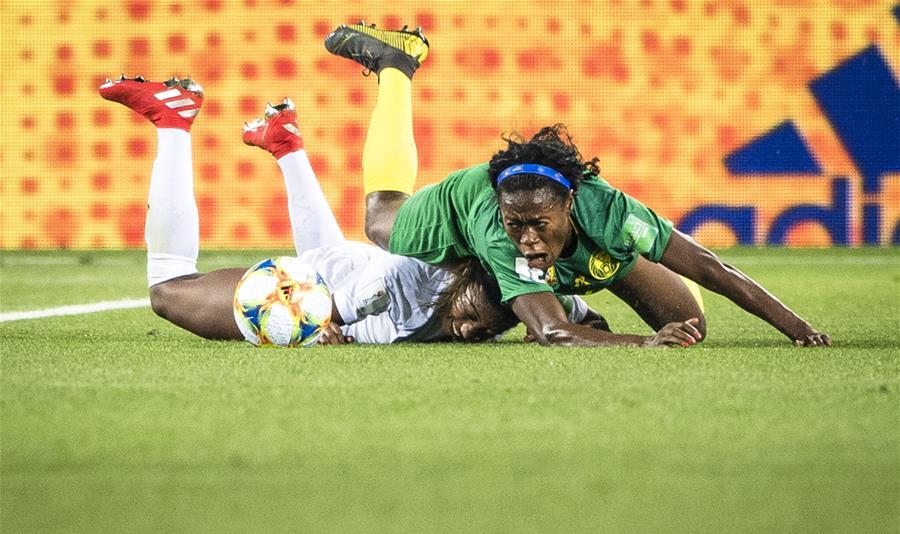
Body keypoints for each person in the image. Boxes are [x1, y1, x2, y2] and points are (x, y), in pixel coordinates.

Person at [323, 23, 832, 348]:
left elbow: (708, 265)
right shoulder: (500, 232)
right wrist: (642, 343)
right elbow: (554, 332)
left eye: (539, 225)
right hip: (461, 215)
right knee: (381, 221)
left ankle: (596, 266)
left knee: (690, 329)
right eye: (517, 225)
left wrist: (797, 328)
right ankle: (398, 66)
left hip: (588, 238)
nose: (527, 239)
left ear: (570, 203)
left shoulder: (611, 212)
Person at [97, 75, 600, 344]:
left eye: (490, 329)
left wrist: (554, 322)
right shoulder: (396, 287)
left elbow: (585, 318)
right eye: (470, 316)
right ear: (460, 282)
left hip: (345, 261)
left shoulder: (523, 288)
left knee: (326, 254)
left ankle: (285, 144)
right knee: (168, 290)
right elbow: (319, 308)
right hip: (325, 285)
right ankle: (171, 119)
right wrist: (321, 327)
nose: (469, 330)